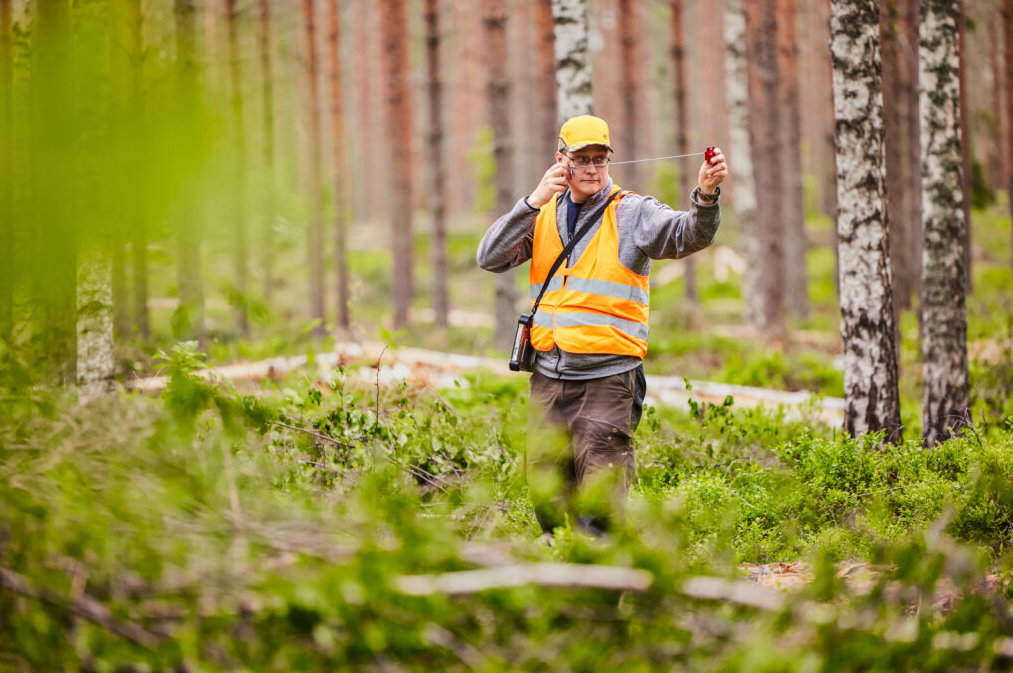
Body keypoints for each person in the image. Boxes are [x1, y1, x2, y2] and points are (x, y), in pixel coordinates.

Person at [476, 114, 729, 537]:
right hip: (548, 379)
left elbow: (689, 235)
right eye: (582, 159)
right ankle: (563, 590)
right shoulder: (542, 214)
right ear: (561, 162)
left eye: (600, 158)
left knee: (600, 509)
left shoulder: (632, 212)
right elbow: (489, 257)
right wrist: (532, 200)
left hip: (608, 381)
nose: (592, 168)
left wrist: (705, 194)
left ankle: (600, 597)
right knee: (547, 497)